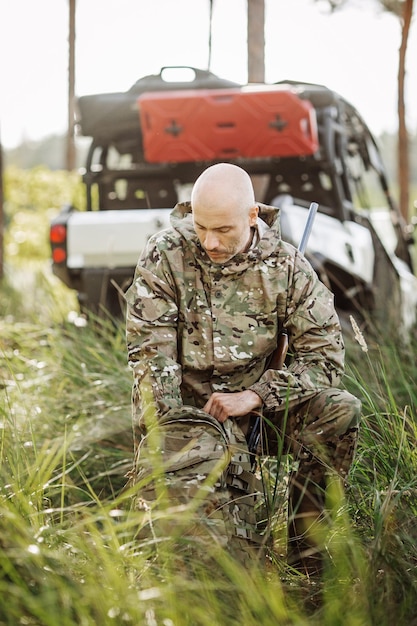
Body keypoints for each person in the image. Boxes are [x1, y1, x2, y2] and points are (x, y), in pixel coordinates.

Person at [125, 162, 361, 575]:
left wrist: (257, 396)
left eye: (223, 230)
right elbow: (150, 358)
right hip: (190, 416)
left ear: (252, 216)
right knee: (220, 559)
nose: (209, 242)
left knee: (339, 410)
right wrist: (193, 436)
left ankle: (308, 559)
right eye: (200, 227)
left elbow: (325, 359)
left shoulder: (286, 267)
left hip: (260, 412)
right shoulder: (165, 253)